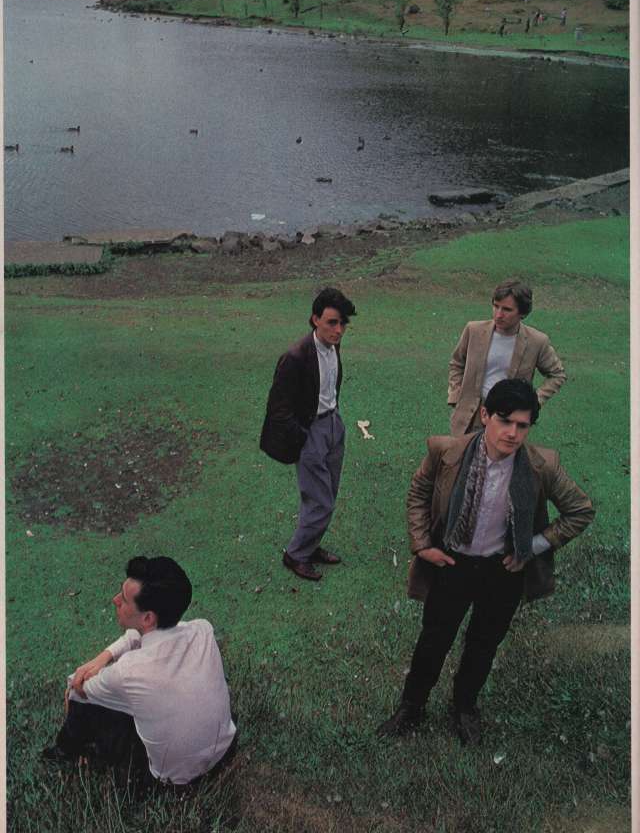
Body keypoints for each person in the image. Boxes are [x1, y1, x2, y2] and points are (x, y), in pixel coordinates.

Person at [377, 379, 595, 744]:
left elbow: (580, 511)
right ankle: (411, 707)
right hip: (452, 564)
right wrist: (422, 544)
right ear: (484, 415)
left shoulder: (541, 465)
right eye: (504, 420)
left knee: (484, 643)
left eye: (522, 425)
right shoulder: (447, 451)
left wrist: (531, 547)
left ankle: (464, 707)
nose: (512, 433)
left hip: (502, 569)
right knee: (434, 639)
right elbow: (419, 491)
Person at [42, 556, 237, 788]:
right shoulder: (203, 630)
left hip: (174, 783)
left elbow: (77, 687)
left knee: (83, 704)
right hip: (225, 752)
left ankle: (65, 751)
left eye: (124, 599)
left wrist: (76, 684)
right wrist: (105, 655)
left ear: (147, 617)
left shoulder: (129, 671)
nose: (115, 600)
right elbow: (141, 634)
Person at [260, 287, 356, 581]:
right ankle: (295, 554)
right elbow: (278, 408)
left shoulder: (334, 345)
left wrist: (334, 420)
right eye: (331, 323)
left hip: (333, 424)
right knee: (321, 501)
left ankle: (310, 545)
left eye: (342, 324)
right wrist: (303, 436)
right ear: (315, 319)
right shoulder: (295, 357)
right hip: (310, 430)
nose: (338, 330)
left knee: (328, 493)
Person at [447, 279, 566, 436]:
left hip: (507, 418)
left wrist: (533, 401)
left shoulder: (536, 341)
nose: (499, 314)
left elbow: (557, 374)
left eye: (507, 309)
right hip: (470, 416)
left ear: (522, 313)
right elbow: (457, 363)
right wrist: (455, 395)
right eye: (496, 306)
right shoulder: (474, 330)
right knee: (462, 452)